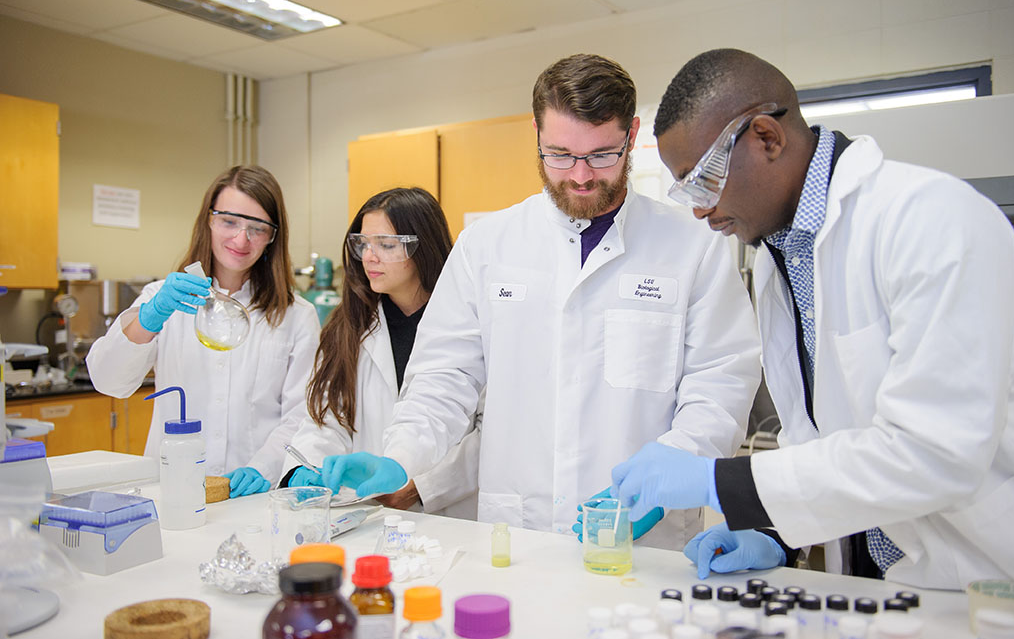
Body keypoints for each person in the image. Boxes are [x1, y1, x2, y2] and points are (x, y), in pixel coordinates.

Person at [611, 48, 1014, 589]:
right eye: (685, 189)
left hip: (988, 581)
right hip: (886, 583)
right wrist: (777, 535)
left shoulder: (932, 221)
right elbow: (824, 443)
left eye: (704, 178)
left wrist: (723, 482)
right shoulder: (782, 261)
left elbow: (933, 452)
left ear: (767, 137)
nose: (698, 209)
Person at [315, 53, 762, 549]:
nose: (580, 176)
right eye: (560, 154)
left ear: (632, 135)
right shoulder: (487, 245)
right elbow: (445, 377)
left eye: (601, 155)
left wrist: (667, 473)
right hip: (518, 530)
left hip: (645, 538)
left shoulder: (690, 244)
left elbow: (720, 384)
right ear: (536, 134)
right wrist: (401, 456)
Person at [88, 165, 321, 498]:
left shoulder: (297, 316)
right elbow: (109, 381)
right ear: (208, 220)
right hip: (170, 490)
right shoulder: (160, 299)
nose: (241, 239)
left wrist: (264, 466)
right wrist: (151, 318)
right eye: (229, 221)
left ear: (272, 237)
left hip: (253, 497)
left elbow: (302, 413)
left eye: (257, 228)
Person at [281, 187, 479, 518]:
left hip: (452, 514)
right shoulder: (348, 327)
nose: (370, 256)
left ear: (424, 247)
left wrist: (420, 486)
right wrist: (307, 469)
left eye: (386, 245)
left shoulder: (466, 325)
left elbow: (487, 432)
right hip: (369, 514)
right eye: (363, 244)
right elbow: (328, 419)